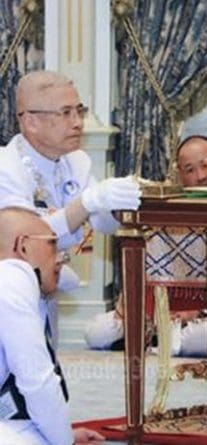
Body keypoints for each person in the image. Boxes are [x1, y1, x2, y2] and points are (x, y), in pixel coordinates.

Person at [0, 70, 141, 344]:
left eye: (79, 111)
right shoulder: (6, 168)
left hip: (46, 288)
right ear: (30, 121)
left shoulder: (75, 162)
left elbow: (102, 223)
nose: (77, 123)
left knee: (47, 360)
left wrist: (114, 203)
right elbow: (27, 243)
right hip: (8, 295)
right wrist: (90, 201)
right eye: (65, 113)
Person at [83, 135, 207, 356]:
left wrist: (199, 312)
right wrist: (150, 316)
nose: (200, 177)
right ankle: (161, 339)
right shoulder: (163, 212)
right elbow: (141, 279)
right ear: (179, 174)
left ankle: (161, 342)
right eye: (190, 170)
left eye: (206, 166)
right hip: (157, 318)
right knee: (96, 332)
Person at [0, 207, 105, 445]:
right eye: (52, 245)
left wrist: (65, 436)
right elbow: (37, 381)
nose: (60, 257)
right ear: (23, 246)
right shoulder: (12, 277)